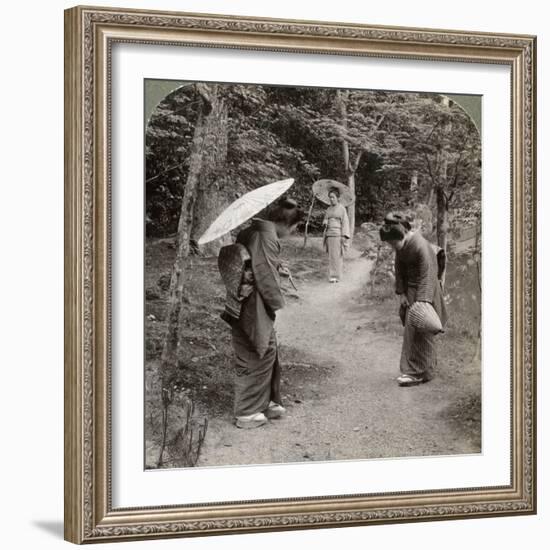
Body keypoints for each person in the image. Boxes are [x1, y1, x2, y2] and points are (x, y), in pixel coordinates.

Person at [230, 197, 304, 428]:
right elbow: (264, 275)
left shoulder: (252, 231)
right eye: (294, 228)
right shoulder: (266, 236)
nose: (292, 232)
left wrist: (277, 266)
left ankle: (266, 401)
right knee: (259, 349)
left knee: (265, 346)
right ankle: (247, 411)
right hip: (252, 301)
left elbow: (256, 263)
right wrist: (275, 302)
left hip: (241, 297)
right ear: (285, 223)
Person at [379, 212, 448, 386]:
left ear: (402, 234)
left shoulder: (421, 246)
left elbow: (429, 274)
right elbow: (399, 269)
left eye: (394, 243)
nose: (393, 247)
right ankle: (415, 370)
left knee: (422, 330)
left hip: (426, 291)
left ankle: (421, 372)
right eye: (391, 244)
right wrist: (402, 293)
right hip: (410, 290)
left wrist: (422, 303)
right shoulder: (401, 247)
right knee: (411, 333)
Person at [322, 188, 350, 282]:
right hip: (329, 234)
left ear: (337, 198)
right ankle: (332, 275)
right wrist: (325, 221)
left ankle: (336, 276)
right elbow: (325, 218)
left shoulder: (342, 209)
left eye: (333, 197)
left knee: (337, 256)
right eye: (330, 197)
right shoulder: (328, 209)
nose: (331, 199)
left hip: (338, 234)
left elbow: (345, 222)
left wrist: (344, 235)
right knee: (331, 256)